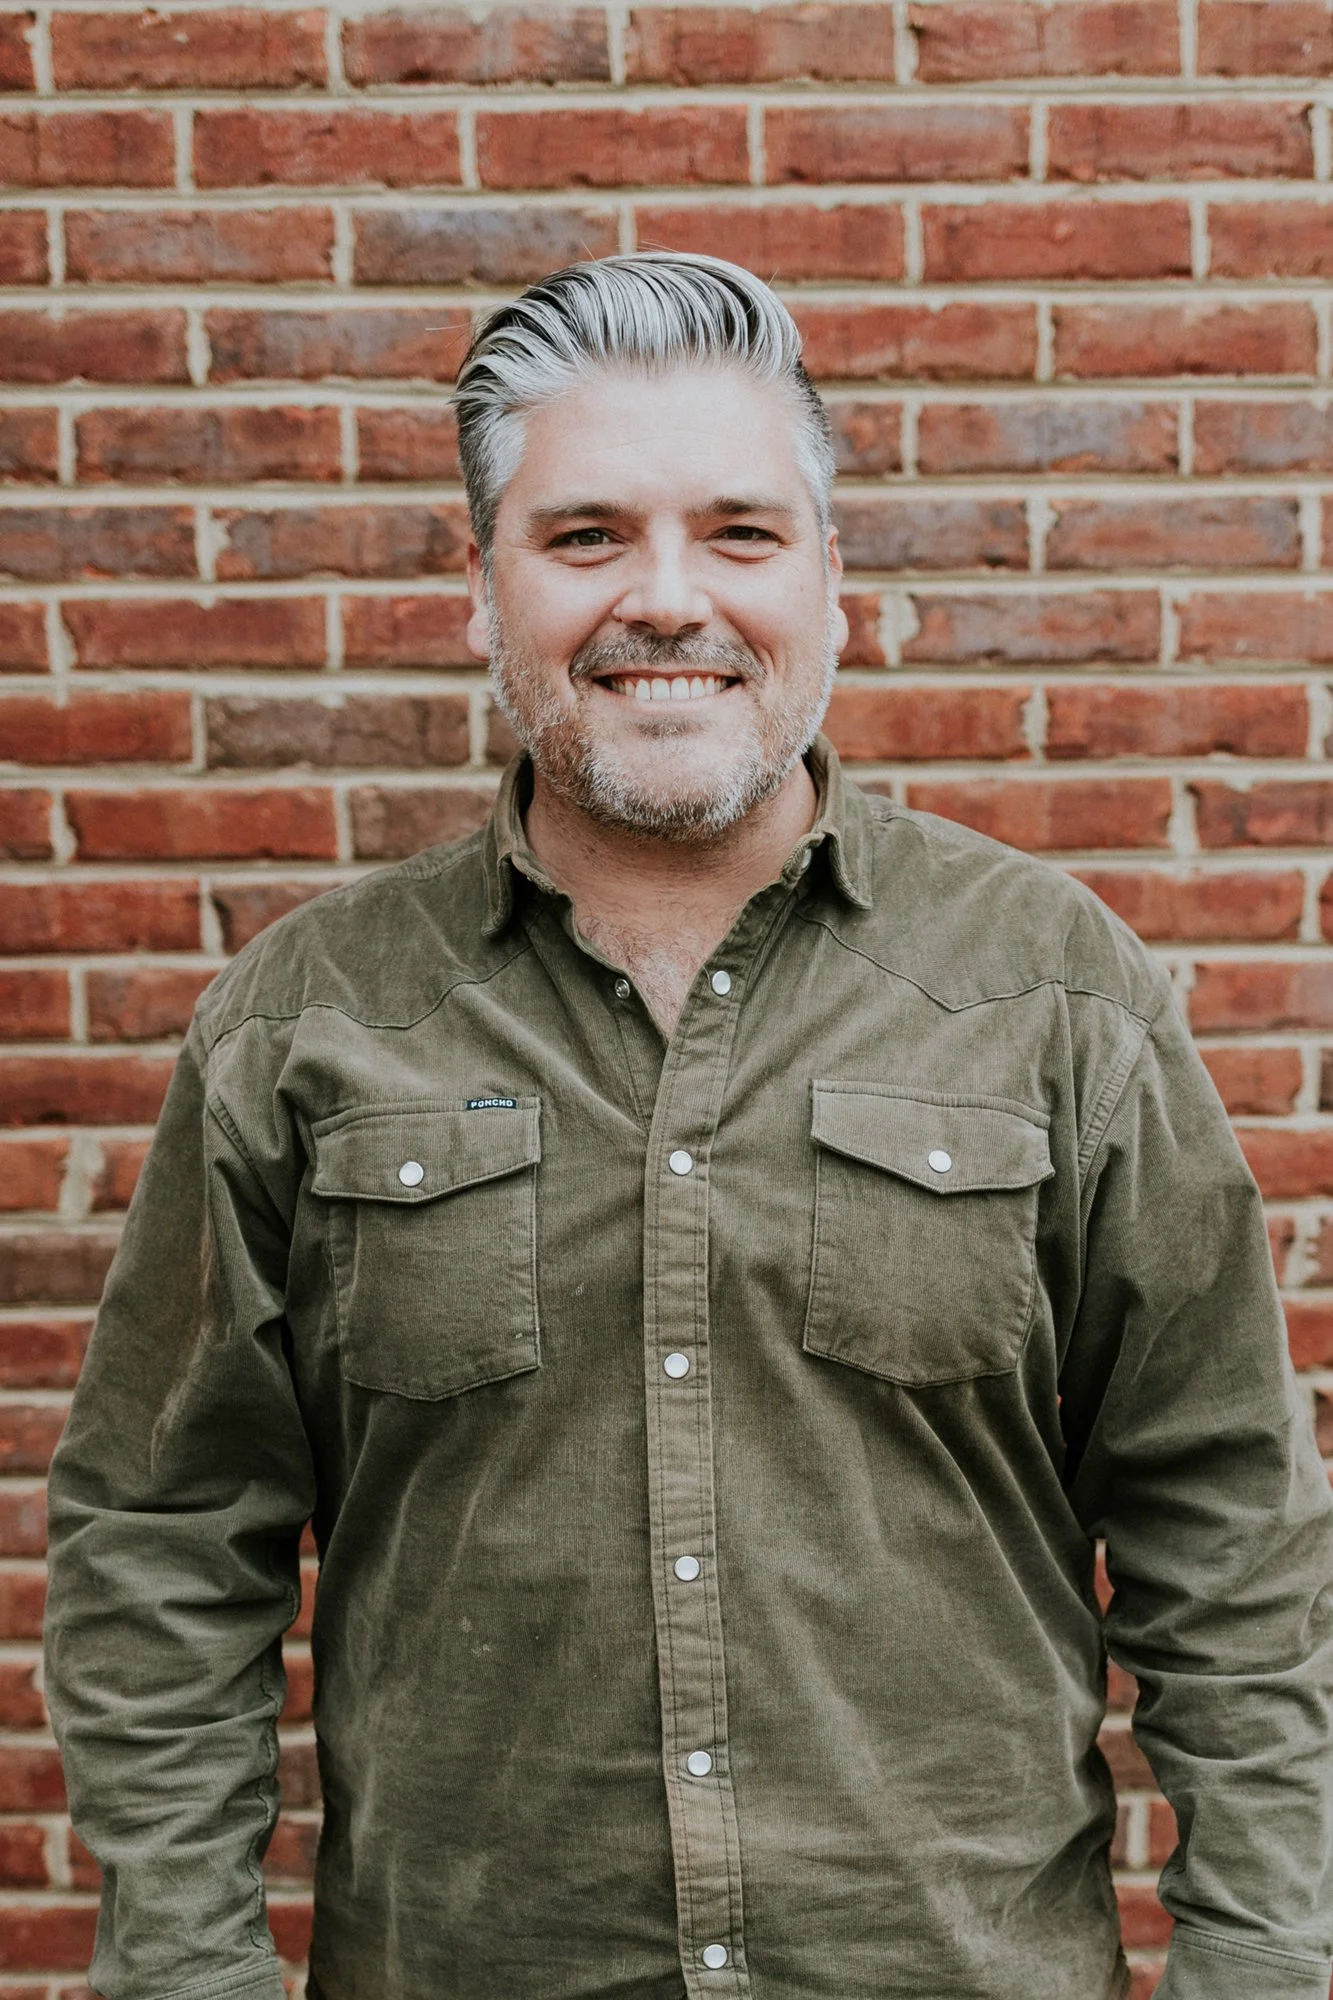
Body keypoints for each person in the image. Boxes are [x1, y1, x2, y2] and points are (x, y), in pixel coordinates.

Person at [44, 253, 1333, 2000]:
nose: (668, 599)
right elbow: (163, 1547)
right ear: (480, 592)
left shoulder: (1054, 995)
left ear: (830, 583)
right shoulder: (303, 1024)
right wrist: (188, 1975)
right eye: (586, 538)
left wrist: (1261, 1967)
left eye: (739, 533)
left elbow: (1233, 1537)